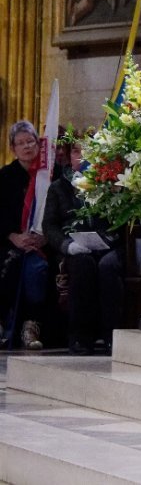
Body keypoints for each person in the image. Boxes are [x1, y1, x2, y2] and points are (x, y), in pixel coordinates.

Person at [42, 134, 123, 354]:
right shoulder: (59, 187)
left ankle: (112, 336)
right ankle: (80, 337)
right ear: (69, 156)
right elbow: (49, 225)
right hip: (76, 247)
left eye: (89, 151)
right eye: (77, 151)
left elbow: (123, 220)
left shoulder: (110, 184)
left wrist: (109, 238)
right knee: (82, 264)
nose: (83, 156)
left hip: (108, 245)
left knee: (108, 267)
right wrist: (67, 245)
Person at [0, 121, 51, 349]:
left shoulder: (51, 174)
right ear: (13, 148)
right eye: (20, 143)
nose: (27, 147)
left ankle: (31, 326)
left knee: (36, 268)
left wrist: (44, 237)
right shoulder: (5, 176)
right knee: (9, 263)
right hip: (10, 240)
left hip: (42, 242)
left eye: (30, 141)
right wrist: (13, 236)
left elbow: (61, 214)